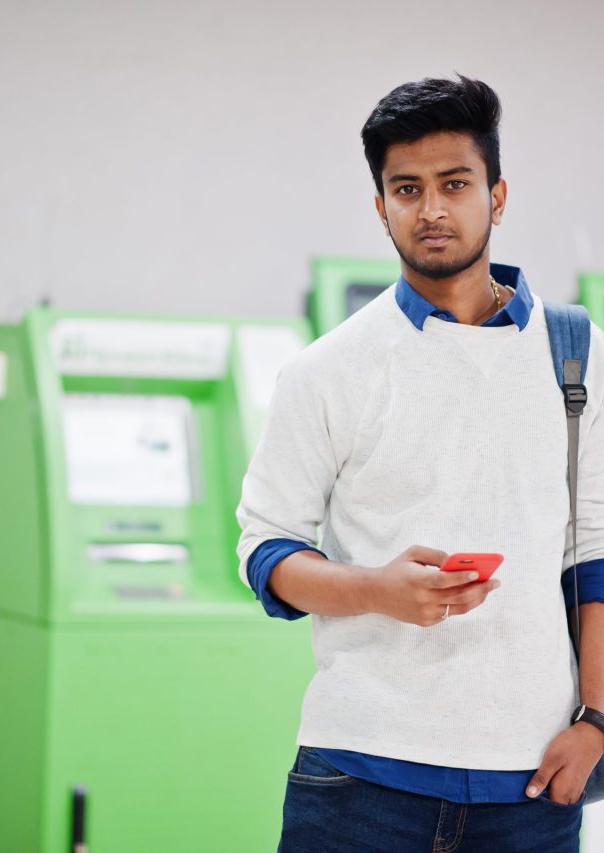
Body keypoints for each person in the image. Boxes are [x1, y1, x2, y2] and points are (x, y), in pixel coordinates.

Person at [236, 76, 604, 852]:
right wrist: (379, 589)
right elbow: (266, 550)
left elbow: (594, 554)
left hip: (531, 782)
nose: (431, 208)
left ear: (497, 196)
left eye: (454, 184)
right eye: (407, 189)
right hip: (358, 777)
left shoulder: (578, 355)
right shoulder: (327, 370)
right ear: (381, 208)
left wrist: (597, 721)